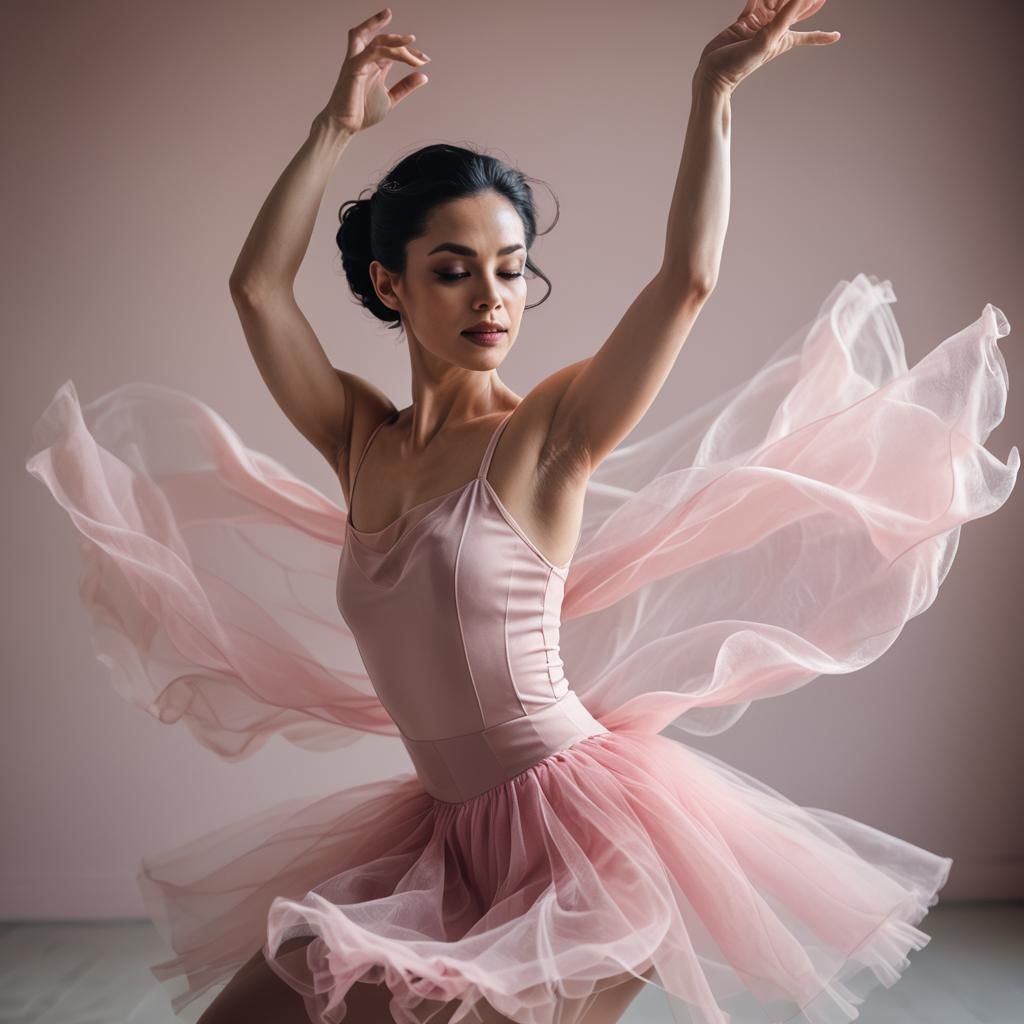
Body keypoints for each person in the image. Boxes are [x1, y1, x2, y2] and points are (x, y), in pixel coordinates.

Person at [23, 3, 1019, 1024]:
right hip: (441, 837)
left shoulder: (547, 435)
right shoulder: (357, 438)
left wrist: (712, 96)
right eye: (453, 270)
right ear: (389, 284)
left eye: (510, 269)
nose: (490, 298)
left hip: (577, 839)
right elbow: (255, 290)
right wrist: (335, 127)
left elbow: (686, 283)